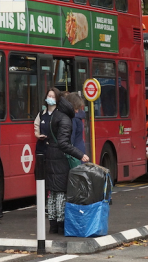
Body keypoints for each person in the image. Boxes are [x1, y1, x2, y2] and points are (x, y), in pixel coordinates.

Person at [45, 93, 89, 235]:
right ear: (71, 106)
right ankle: (60, 226)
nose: (77, 112)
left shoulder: (55, 115)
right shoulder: (65, 119)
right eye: (76, 108)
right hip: (61, 158)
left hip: (51, 156)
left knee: (53, 193)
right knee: (61, 193)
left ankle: (53, 226)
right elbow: (65, 143)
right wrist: (80, 154)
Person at [34, 87, 60, 155]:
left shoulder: (59, 115)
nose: (50, 98)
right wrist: (38, 135)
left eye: (53, 97)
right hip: (41, 149)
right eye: (49, 96)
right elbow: (36, 128)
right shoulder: (41, 114)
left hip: (55, 150)